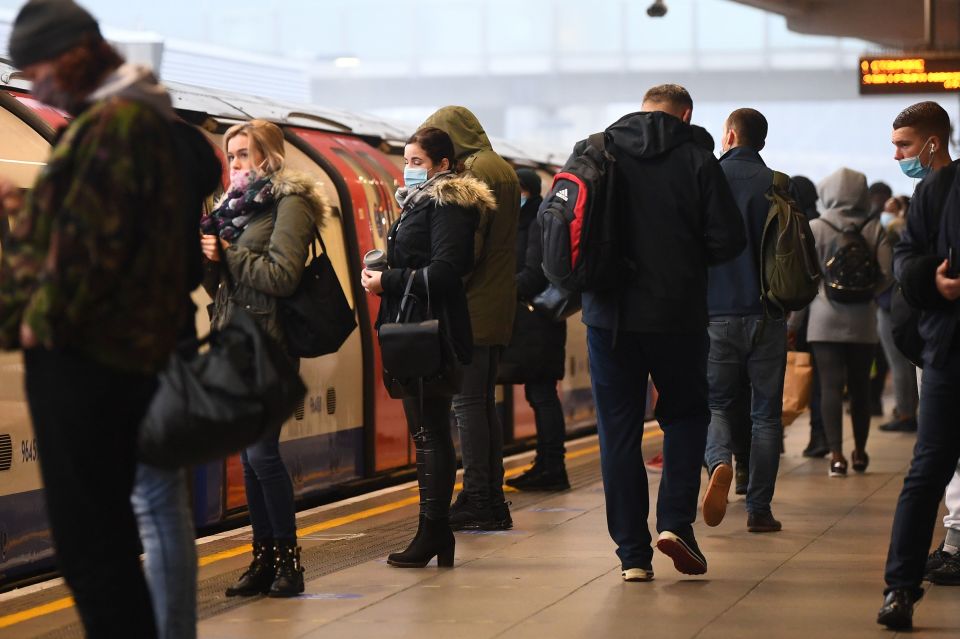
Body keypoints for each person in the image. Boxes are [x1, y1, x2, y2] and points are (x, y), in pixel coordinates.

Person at [0, 1, 192, 635]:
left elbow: (87, 252)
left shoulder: (114, 124)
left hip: (86, 361)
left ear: (76, 52)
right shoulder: (134, 116)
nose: (34, 81)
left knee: (92, 546)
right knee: (103, 540)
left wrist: (35, 324)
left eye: (39, 65)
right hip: (111, 356)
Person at [582, 84, 745, 582]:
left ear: (641, 107)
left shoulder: (598, 148)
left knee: (618, 432)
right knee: (686, 415)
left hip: (608, 316)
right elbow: (726, 239)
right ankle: (675, 523)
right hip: (676, 314)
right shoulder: (697, 159)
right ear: (686, 113)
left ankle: (632, 554)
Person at [202, 119, 329, 597]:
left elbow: (282, 276)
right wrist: (211, 261)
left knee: (262, 454)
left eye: (243, 154)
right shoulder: (230, 208)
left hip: (271, 345)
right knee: (249, 460)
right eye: (230, 155)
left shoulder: (289, 203)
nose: (234, 164)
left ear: (268, 156)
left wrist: (230, 253)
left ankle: (289, 564)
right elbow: (218, 289)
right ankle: (262, 559)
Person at [362, 127, 488, 567]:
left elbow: (447, 271)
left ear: (443, 165)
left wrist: (388, 280)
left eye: (416, 162)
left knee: (430, 431)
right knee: (426, 431)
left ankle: (433, 532)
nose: (408, 169)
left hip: (432, 332)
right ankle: (434, 533)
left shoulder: (448, 203)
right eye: (406, 161)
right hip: (413, 326)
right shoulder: (420, 203)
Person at [132, 99, 222, 638]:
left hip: (140, 353)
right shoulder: (185, 171)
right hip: (172, 342)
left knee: (153, 502)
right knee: (160, 503)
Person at [420, 106, 520, 530]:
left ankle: (479, 497)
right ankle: (491, 499)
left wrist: (439, 280)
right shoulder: (501, 167)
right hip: (497, 300)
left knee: (467, 407)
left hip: (473, 303)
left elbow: (467, 245)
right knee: (482, 406)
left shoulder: (474, 172)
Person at [878, 134, 960, 629]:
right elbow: (906, 259)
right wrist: (935, 278)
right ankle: (899, 589)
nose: (898, 155)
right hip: (952, 349)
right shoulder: (942, 188)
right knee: (928, 468)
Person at [702, 108, 788, 533]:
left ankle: (719, 462)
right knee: (766, 416)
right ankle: (760, 510)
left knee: (716, 404)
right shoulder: (776, 184)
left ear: (730, 136)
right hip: (768, 313)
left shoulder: (707, 179)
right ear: (762, 141)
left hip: (716, 313)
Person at [805, 168, 892, 478]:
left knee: (829, 387)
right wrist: (867, 295)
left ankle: (836, 456)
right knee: (860, 388)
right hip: (863, 321)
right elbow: (887, 275)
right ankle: (860, 452)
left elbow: (807, 275)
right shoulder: (873, 228)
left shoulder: (816, 226)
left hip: (824, 318)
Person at [503, 168, 570, 491]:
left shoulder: (534, 223)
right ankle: (547, 463)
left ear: (524, 191)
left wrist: (498, 289)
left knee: (542, 395)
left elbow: (531, 276)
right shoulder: (535, 219)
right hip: (540, 325)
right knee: (540, 394)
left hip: (538, 324)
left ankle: (552, 466)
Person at [789, 175, 829, 458]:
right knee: (821, 383)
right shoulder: (822, 220)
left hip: (801, 316)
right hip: (824, 316)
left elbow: (802, 278)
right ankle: (820, 435)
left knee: (784, 376)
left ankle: (775, 435)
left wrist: (791, 324)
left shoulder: (799, 225)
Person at [876, 195, 919, 434]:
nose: (886, 212)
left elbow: (886, 271)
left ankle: (905, 413)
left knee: (898, 362)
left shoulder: (896, 231)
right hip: (903, 302)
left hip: (890, 304)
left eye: (892, 207)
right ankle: (907, 409)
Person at [867, 182, 894, 417]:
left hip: (868, 302)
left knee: (872, 357)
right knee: (880, 356)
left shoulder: (864, 221)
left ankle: (871, 399)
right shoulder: (886, 225)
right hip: (883, 298)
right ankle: (872, 399)